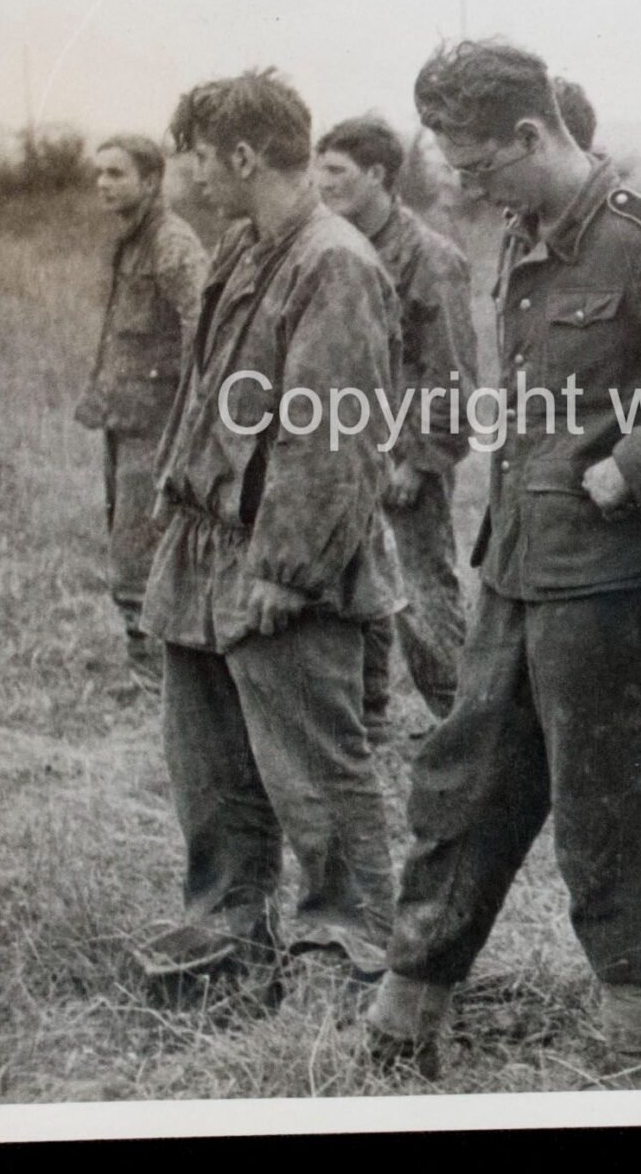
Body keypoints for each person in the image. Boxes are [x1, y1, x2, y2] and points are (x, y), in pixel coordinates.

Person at [364, 40, 641, 1074]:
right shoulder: (528, 232)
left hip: (610, 576)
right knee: (462, 782)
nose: (468, 190)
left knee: (610, 800)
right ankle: (408, 1002)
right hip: (517, 561)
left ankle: (630, 1030)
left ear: (532, 133)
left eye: (478, 167)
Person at [134, 70, 404, 998]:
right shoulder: (247, 247)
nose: (193, 175)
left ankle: (350, 953)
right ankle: (227, 937)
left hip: (283, 564)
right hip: (206, 556)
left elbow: (332, 433)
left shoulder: (334, 261)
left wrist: (286, 570)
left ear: (243, 155)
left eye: (200, 156)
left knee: (316, 776)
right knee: (210, 772)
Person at [313, 116, 479, 741]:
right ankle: (370, 716)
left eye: (338, 172)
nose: (322, 184)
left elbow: (452, 371)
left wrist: (421, 460)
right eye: (319, 169)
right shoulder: (335, 247)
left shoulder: (429, 258)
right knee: (354, 586)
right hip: (346, 449)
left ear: (380, 176)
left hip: (405, 458)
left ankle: (464, 726)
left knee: (421, 593)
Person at [73, 134, 207, 700]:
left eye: (116, 174)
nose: (103, 183)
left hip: (159, 424)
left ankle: (158, 681)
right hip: (125, 417)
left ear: (150, 182)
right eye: (100, 173)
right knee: (125, 543)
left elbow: (205, 330)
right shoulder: (132, 241)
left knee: (140, 553)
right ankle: (148, 669)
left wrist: (193, 423)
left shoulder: (173, 245)